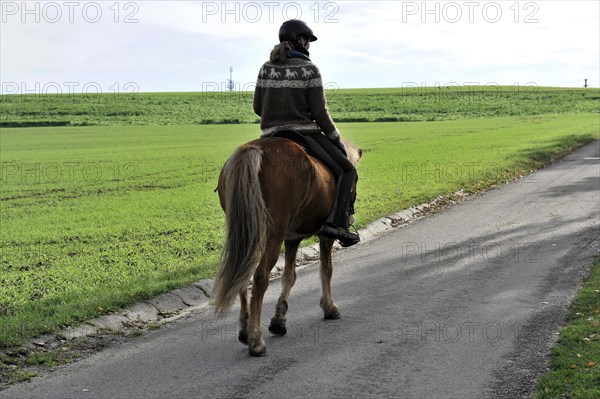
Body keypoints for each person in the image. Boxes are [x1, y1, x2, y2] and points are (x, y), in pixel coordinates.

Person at [253, 19, 360, 247]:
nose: (308, 45)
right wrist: (335, 138)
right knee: (348, 170)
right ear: (300, 40)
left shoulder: (266, 68)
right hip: (306, 133)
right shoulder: (310, 69)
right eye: (307, 40)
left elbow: (257, 108)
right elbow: (320, 114)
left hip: (271, 135)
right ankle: (338, 223)